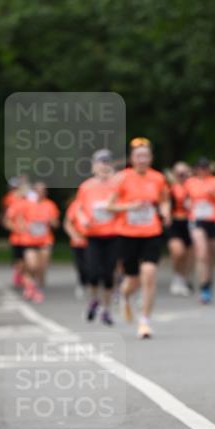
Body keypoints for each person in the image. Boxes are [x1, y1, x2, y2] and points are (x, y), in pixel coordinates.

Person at [107, 139, 170, 338]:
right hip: (128, 234)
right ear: (132, 158)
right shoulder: (122, 178)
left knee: (149, 274)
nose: (142, 159)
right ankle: (125, 296)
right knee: (132, 280)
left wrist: (165, 212)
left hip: (151, 232)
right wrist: (129, 207)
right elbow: (110, 206)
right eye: (138, 156)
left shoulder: (158, 178)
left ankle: (144, 321)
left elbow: (164, 201)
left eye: (146, 156)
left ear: (151, 158)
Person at [74, 149, 119, 324]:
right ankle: (93, 300)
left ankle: (107, 310)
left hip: (113, 234)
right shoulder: (86, 186)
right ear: (93, 166)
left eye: (107, 162)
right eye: (100, 162)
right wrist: (83, 219)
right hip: (93, 235)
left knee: (108, 275)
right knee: (92, 273)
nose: (104, 166)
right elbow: (78, 208)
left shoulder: (117, 185)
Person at [184, 157, 215, 303]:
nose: (202, 170)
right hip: (197, 221)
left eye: (205, 167)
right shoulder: (190, 182)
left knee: (211, 257)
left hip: (213, 221)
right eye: (199, 168)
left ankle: (208, 284)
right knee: (202, 253)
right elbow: (186, 200)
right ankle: (203, 286)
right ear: (196, 169)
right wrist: (188, 205)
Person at [4, 181, 59, 302]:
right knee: (31, 265)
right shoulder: (23, 204)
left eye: (43, 190)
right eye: (37, 190)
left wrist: (51, 220)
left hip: (45, 240)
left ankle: (35, 286)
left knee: (41, 266)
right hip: (28, 240)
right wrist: (20, 227)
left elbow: (55, 223)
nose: (40, 193)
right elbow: (12, 219)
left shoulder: (49, 205)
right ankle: (30, 286)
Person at [166, 161, 196, 296]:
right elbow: (164, 203)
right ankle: (177, 276)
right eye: (179, 173)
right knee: (178, 252)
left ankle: (183, 279)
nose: (182, 176)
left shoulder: (193, 186)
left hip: (190, 223)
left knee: (189, 255)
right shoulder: (169, 188)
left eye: (184, 173)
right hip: (174, 223)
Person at [63, 195, 89, 299]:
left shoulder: (95, 204)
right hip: (79, 241)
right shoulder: (75, 205)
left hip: (93, 240)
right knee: (80, 265)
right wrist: (74, 235)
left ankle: (93, 283)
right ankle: (82, 283)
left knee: (93, 265)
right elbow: (67, 223)